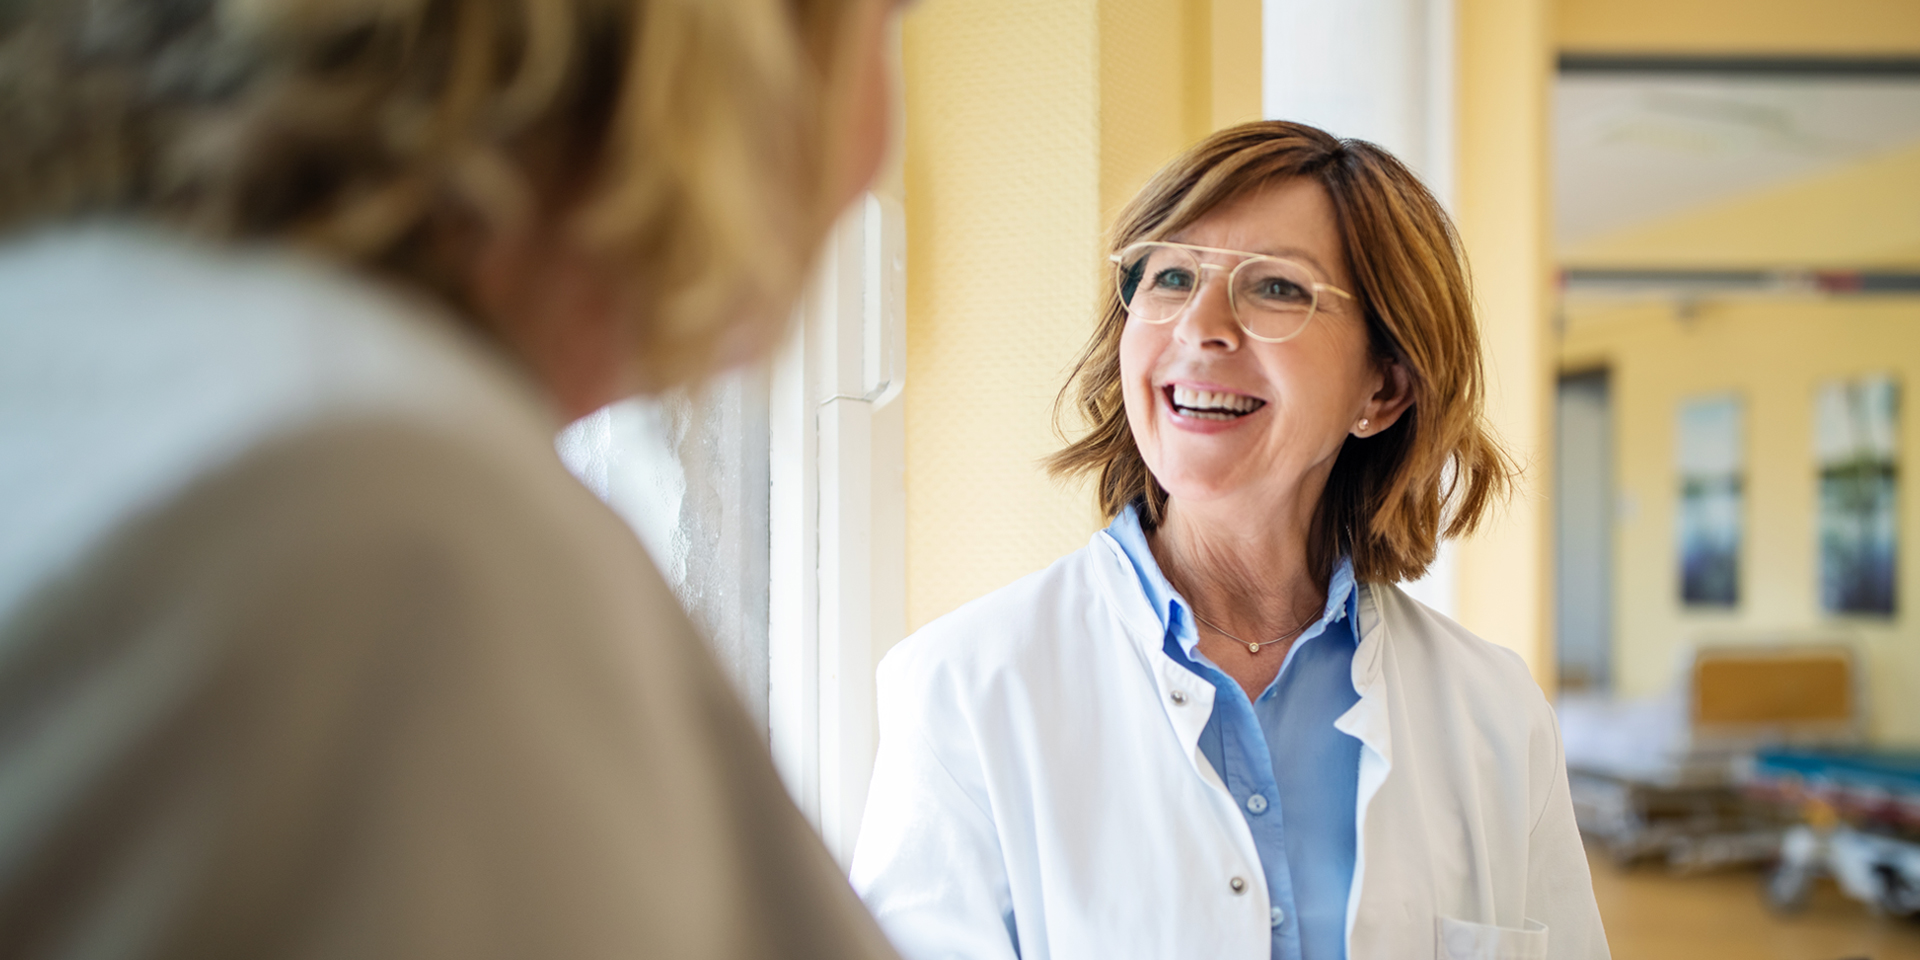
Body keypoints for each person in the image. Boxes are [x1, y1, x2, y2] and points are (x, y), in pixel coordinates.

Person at [0, 0, 902, 957]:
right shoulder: (387, 545)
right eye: (882, 28)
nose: (879, 144)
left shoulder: (94, 363)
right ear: (719, 47)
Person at [850, 121, 1609, 960]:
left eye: (1276, 288)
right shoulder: (964, 689)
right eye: (1170, 276)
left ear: (1385, 387)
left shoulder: (1494, 712)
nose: (1200, 326)